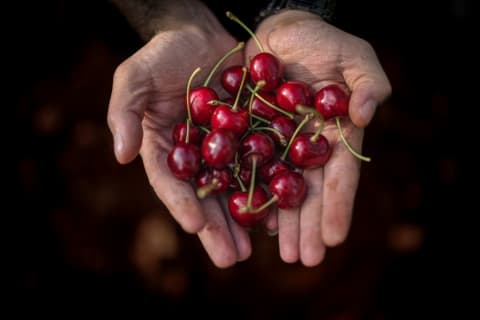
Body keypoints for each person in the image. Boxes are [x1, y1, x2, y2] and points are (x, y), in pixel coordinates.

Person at [107, 0, 391, 268]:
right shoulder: (227, 129)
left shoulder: (246, 127)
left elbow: (249, 139)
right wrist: (173, 14)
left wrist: (297, 7)